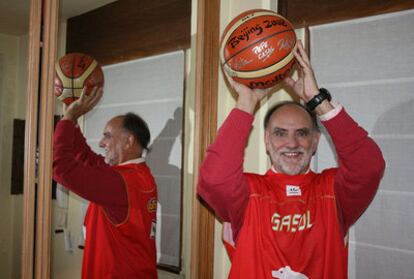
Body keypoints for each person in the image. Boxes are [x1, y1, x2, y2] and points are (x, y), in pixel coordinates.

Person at [197, 41, 385, 279]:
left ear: (315, 141)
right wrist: (246, 103)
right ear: (266, 141)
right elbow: (213, 180)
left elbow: (370, 166)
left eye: (302, 133)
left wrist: (317, 100)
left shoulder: (333, 191)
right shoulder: (248, 193)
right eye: (280, 133)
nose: (292, 143)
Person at [53, 87, 158, 278]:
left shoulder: (120, 182)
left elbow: (61, 168)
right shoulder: (136, 175)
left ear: (128, 141)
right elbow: (86, 158)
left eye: (107, 135)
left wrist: (68, 119)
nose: (101, 143)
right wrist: (72, 118)